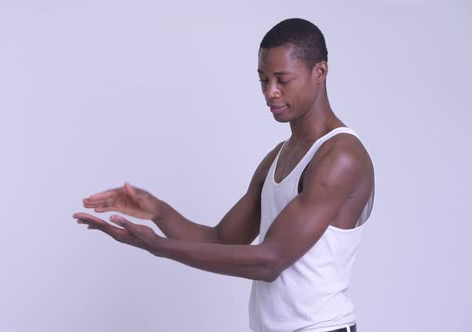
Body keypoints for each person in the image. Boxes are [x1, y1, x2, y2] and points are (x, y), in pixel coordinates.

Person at [73, 18, 374, 332]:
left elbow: (269, 260)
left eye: (282, 80)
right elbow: (221, 240)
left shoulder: (340, 156)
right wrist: (156, 210)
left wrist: (158, 247)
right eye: (263, 79)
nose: (270, 92)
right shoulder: (279, 155)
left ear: (319, 73)